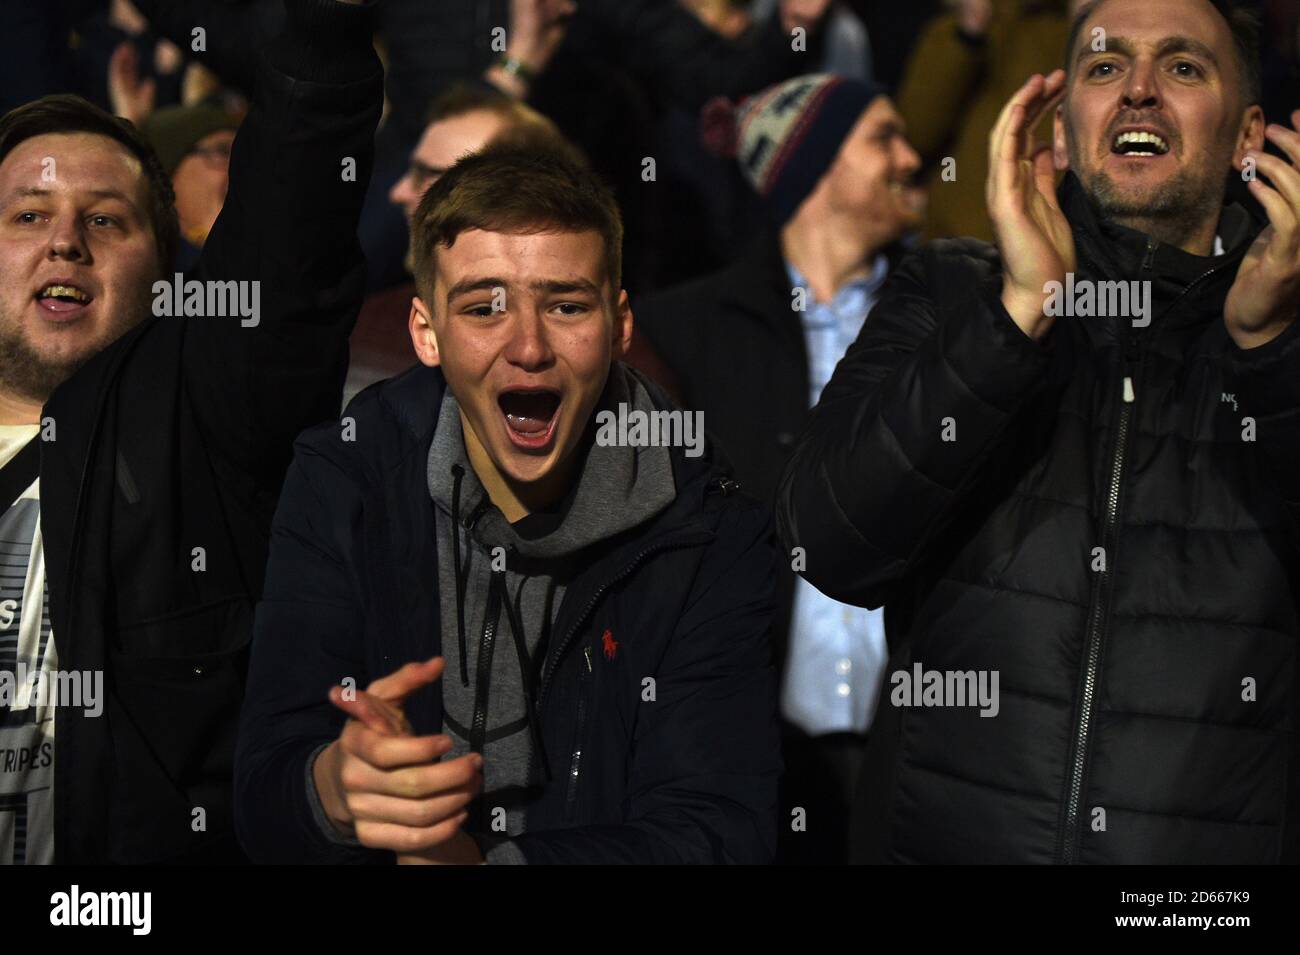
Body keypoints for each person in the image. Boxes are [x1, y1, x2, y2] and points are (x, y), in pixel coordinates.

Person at [778, 0, 1300, 863]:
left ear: (1249, 134)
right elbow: (829, 548)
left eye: (1182, 67)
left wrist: (1270, 354)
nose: (1136, 89)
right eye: (1102, 66)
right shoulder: (951, 294)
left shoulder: (1282, 341)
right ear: (1062, 125)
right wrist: (1016, 316)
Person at [234, 141, 783, 864]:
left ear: (619, 326)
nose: (528, 346)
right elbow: (261, 797)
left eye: (565, 304)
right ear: (426, 333)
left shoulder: (710, 528)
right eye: (484, 306)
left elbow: (717, 834)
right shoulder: (346, 479)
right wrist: (334, 790)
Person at [0, 0, 381, 864]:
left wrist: (316, 38)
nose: (65, 241)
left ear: (170, 269)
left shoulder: (201, 410)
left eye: (106, 219)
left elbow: (297, 205)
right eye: (28, 215)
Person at [631, 73, 924, 864]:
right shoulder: (685, 331)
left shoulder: (953, 318)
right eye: (883, 138)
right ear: (817, 169)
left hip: (920, 748)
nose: (913, 157)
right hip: (748, 757)